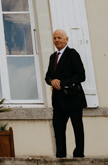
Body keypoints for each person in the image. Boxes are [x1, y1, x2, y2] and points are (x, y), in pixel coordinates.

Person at [45, 29, 86, 158]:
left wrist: (61, 83)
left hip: (73, 98)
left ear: (66, 39)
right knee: (58, 128)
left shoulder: (72, 54)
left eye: (59, 38)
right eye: (55, 38)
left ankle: (79, 154)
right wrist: (52, 81)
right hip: (58, 100)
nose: (57, 40)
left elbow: (81, 75)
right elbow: (47, 76)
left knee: (77, 128)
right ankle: (60, 154)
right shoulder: (53, 57)